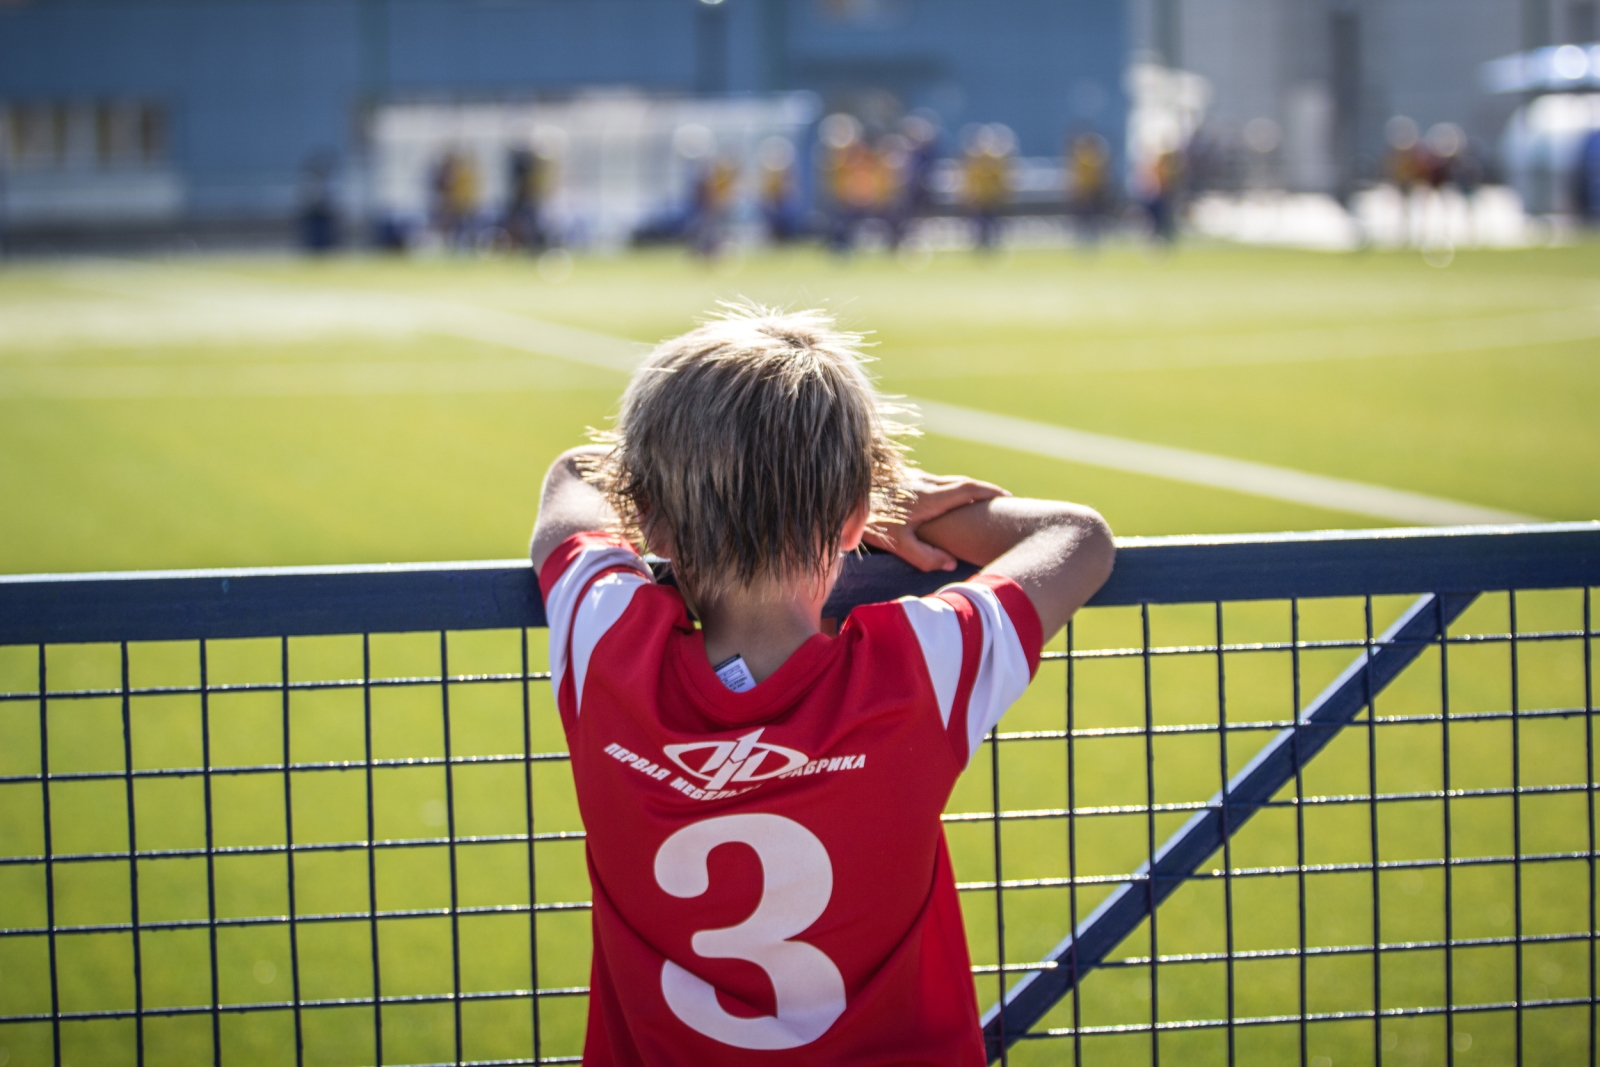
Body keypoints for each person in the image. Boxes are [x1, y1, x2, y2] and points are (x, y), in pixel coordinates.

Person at [528, 306, 1115, 1065]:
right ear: (854, 520)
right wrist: (892, 499)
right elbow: (1079, 538)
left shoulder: (606, 641)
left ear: (654, 527)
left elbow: (574, 473)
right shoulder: (916, 669)